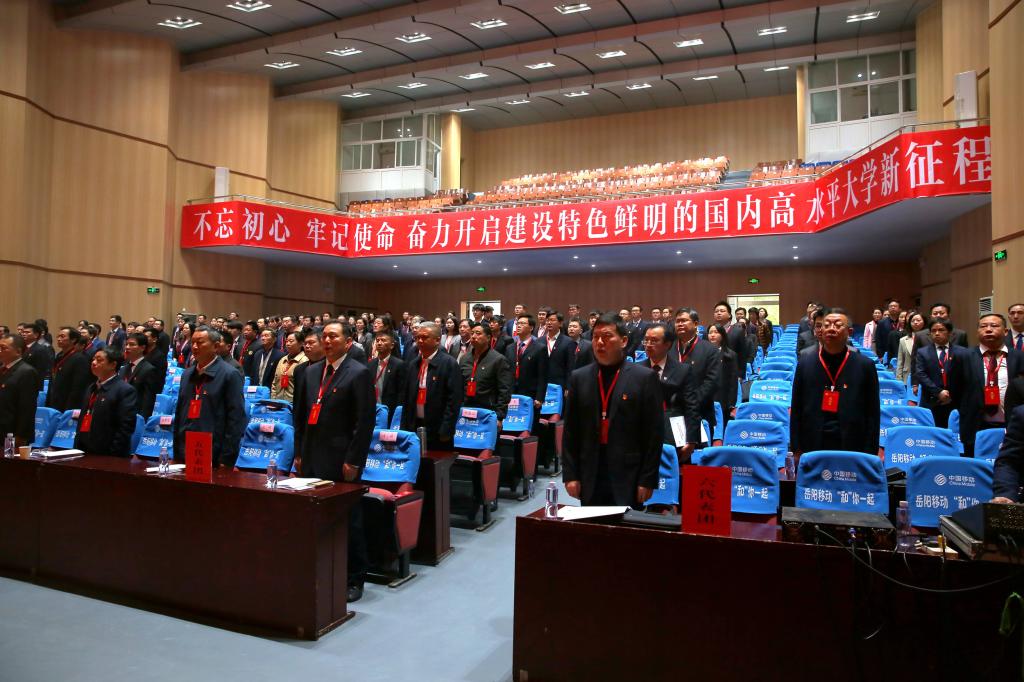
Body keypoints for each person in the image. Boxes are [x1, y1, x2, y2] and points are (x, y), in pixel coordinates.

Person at [292, 321, 375, 603]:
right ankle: (316, 571)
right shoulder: (309, 372)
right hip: (311, 456)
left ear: (348, 342)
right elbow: (300, 417)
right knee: (312, 515)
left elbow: (364, 422)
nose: (327, 341)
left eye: (333, 336)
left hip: (342, 460)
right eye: (324, 336)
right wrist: (299, 453)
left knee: (349, 520)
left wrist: (354, 460)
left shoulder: (358, 372)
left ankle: (354, 578)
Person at [562, 313, 664, 507]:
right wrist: (570, 475)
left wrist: (647, 479)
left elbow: (654, 434)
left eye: (607, 336)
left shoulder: (644, 378)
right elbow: (570, 431)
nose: (600, 342)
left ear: (623, 341)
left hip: (629, 474)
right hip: (590, 471)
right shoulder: (579, 378)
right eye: (595, 337)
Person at [790, 309, 880, 456]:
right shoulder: (805, 364)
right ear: (820, 331)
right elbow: (796, 408)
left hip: (853, 443)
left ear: (849, 332)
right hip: (812, 442)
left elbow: (872, 413)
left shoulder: (865, 366)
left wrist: (870, 451)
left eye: (838, 325)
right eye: (826, 325)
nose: (831, 329)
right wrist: (796, 447)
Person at [171, 328, 246, 468]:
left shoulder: (230, 374)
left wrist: (226, 458)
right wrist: (177, 449)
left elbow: (236, 418)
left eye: (200, 343)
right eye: (193, 342)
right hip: (185, 449)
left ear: (216, 346)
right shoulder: (186, 374)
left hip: (214, 452)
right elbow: (179, 412)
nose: (194, 347)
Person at [958, 313, 1024, 458]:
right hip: (974, 424)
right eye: (983, 326)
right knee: (974, 466)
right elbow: (955, 390)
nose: (988, 329)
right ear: (977, 332)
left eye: (994, 326)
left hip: (1012, 424)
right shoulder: (963, 356)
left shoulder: (1019, 357)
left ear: (1005, 332)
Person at [399, 322, 463, 451]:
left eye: (424, 337)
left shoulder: (449, 364)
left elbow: (454, 401)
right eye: (418, 337)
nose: (420, 341)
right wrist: (404, 427)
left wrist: (446, 429)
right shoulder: (413, 364)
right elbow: (406, 398)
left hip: (438, 429)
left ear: (437, 340)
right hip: (414, 426)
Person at [639, 323, 698, 463]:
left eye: (654, 341)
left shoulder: (682, 370)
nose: (648, 345)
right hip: (642, 433)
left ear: (667, 344)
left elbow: (692, 407)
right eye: (646, 340)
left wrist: (691, 440)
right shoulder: (637, 369)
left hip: (674, 432)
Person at [73, 347, 137, 457]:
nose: (93, 363)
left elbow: (125, 428)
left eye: (99, 360)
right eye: (93, 359)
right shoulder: (91, 388)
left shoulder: (125, 390)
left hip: (108, 455)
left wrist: (113, 453)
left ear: (113, 365)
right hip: (84, 450)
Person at [913, 318, 970, 429]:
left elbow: (965, 375)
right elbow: (921, 374)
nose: (937, 333)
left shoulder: (962, 352)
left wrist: (950, 395)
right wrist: (938, 392)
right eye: (933, 331)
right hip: (931, 400)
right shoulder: (923, 352)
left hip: (955, 401)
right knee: (932, 433)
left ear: (950, 332)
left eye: (941, 330)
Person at [673, 308, 719, 441]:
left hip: (700, 411)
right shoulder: (669, 348)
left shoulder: (710, 349)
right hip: (672, 413)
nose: (680, 324)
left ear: (695, 324)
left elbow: (711, 382)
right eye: (677, 321)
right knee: (673, 452)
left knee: (698, 452)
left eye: (684, 320)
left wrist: (690, 404)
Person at [459, 323, 512, 426]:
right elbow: (459, 385)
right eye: (472, 333)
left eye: (478, 333)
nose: (473, 336)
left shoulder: (498, 359)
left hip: (488, 411)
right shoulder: (464, 358)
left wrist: (499, 416)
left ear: (488, 338)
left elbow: (504, 390)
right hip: (466, 409)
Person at [0, 334, 39, 446]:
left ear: (18, 351)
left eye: (3, 348)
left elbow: (27, 408)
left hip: (13, 433)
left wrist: (21, 436)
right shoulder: (2, 370)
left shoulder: (27, 372)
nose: (0, 351)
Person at [507, 313, 548, 414]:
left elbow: (543, 375)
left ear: (531, 328)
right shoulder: (510, 348)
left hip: (531, 394)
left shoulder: (540, 348)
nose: (519, 325)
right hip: (511, 393)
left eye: (522, 323)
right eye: (518, 323)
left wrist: (540, 397)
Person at [46, 326, 93, 413]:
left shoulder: (80, 359)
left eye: (62, 336)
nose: (59, 339)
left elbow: (77, 389)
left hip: (67, 407)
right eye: (58, 336)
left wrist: (68, 410)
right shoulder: (59, 357)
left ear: (73, 340)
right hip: (53, 403)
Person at [367, 331, 407, 423]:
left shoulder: (399, 365)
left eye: (383, 340)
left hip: (391, 410)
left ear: (392, 345)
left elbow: (401, 392)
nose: (379, 343)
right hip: (372, 409)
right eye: (377, 340)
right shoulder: (370, 364)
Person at [119, 332, 160, 418]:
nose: (127, 347)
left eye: (132, 344)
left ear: (142, 348)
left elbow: (148, 400)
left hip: (135, 416)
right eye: (126, 344)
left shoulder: (149, 369)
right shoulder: (123, 369)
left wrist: (142, 420)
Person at [706, 323, 739, 429]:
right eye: (710, 332)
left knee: (722, 428)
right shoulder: (702, 353)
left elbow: (733, 381)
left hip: (723, 398)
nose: (712, 335)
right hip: (706, 397)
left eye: (716, 332)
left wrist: (731, 403)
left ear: (722, 335)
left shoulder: (730, 355)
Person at [542, 310, 576, 393]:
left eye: (552, 320)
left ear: (560, 323)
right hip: (542, 385)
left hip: (560, 386)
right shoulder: (539, 341)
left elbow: (570, 366)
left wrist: (568, 387)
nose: (549, 322)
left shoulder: (568, 342)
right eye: (547, 320)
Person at [271, 330, 307, 403]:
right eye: (286, 341)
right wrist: (273, 400)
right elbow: (275, 381)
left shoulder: (305, 360)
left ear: (301, 343)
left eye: (291, 341)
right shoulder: (282, 359)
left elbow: (304, 387)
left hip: (293, 403)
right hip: (277, 402)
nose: (287, 343)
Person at [896, 311, 926, 382]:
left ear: (924, 322)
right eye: (913, 321)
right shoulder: (903, 340)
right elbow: (900, 362)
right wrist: (899, 380)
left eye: (918, 320)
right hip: (908, 377)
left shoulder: (930, 338)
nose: (915, 322)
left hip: (926, 376)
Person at [19, 322, 52, 387]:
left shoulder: (40, 349)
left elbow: (41, 370)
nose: (24, 334)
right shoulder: (21, 347)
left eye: (27, 332)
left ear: (36, 335)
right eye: (23, 332)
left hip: (31, 384)